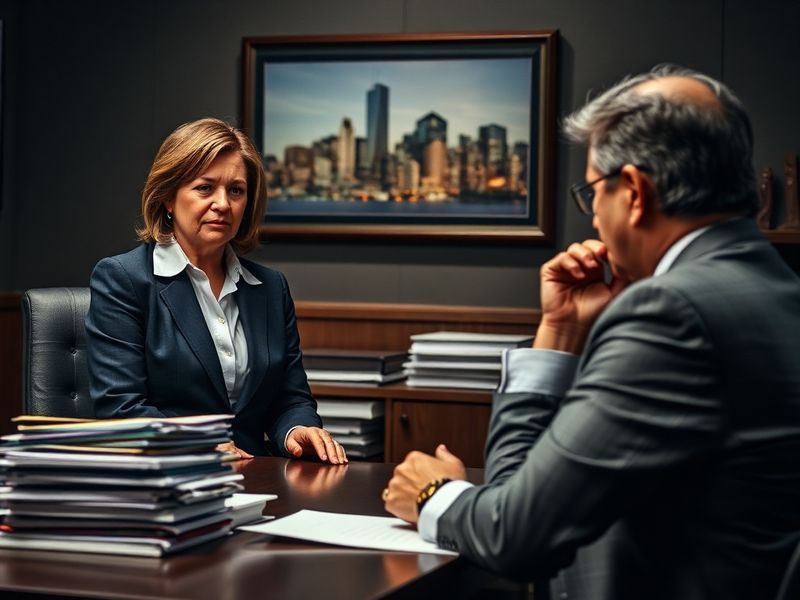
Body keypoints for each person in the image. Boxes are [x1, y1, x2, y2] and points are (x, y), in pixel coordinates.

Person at [383, 64, 800, 599]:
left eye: (594, 191)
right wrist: (560, 329)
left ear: (634, 192)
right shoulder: (777, 290)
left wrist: (433, 494)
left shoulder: (671, 313)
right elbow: (526, 501)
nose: (594, 216)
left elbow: (516, 536)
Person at [86, 117, 346, 464]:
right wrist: (199, 444)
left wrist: (296, 430)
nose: (223, 204)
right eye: (205, 188)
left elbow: (290, 398)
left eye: (236, 190)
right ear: (168, 197)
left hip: (255, 478)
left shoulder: (271, 288)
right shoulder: (123, 279)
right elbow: (120, 409)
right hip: (169, 478)